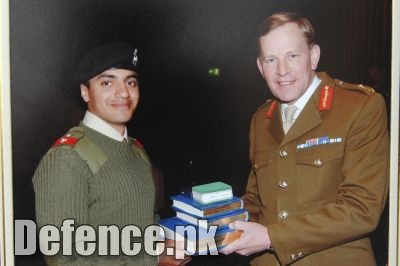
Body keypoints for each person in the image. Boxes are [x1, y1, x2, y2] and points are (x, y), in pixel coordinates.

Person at [220, 12, 389, 265]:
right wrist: (216, 226)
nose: (282, 70)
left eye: (292, 56)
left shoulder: (359, 107)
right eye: (271, 59)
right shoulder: (261, 120)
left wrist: (271, 237)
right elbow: (256, 202)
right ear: (260, 67)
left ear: (313, 56)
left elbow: (362, 209)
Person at [32, 42, 189, 266]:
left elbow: (143, 224)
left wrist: (168, 242)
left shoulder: (136, 151)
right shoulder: (67, 158)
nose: (123, 92)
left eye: (130, 82)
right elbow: (65, 259)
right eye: (107, 82)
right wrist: (150, 259)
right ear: (85, 92)